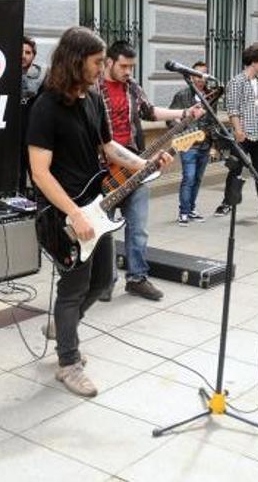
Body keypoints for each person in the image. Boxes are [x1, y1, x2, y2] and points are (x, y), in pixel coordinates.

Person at [28, 27, 171, 397]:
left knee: (102, 280)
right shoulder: (46, 106)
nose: (100, 68)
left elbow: (109, 147)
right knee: (74, 287)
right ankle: (68, 363)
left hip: (98, 205)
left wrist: (146, 163)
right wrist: (74, 213)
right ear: (77, 61)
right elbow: (39, 172)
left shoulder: (93, 99)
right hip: (64, 213)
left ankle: (65, 326)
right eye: (95, 62)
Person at [95, 41, 202, 301]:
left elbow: (151, 112)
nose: (129, 71)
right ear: (108, 62)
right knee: (104, 231)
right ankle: (104, 282)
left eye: (132, 66)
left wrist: (185, 112)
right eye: (124, 66)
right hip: (99, 170)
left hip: (134, 166)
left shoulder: (132, 87)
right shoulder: (93, 88)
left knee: (139, 228)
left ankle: (137, 278)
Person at [214, 45, 258, 220]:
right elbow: (232, 109)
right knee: (235, 169)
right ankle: (227, 203)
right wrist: (238, 130)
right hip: (243, 134)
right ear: (254, 62)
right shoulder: (236, 81)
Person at [168, 61, 218, 226]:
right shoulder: (182, 95)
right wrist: (183, 131)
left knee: (197, 178)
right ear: (190, 76)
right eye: (197, 75)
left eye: (203, 75)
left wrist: (214, 146)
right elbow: (170, 119)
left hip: (205, 144)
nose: (200, 79)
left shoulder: (211, 96)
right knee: (188, 177)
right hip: (188, 145)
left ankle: (191, 209)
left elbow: (213, 122)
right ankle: (183, 212)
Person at [19, 36, 44, 194]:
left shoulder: (42, 76)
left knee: (37, 172)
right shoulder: (5, 74)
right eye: (20, 51)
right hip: (13, 134)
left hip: (34, 133)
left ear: (33, 56)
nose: (23, 55)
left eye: (28, 52)